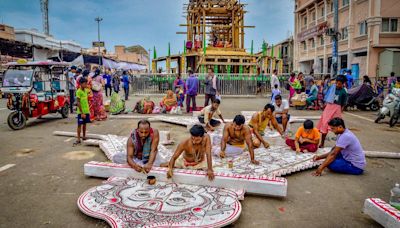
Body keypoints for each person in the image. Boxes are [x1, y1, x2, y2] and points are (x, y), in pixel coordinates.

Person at [317, 75, 348, 147]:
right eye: (337, 83)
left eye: (339, 84)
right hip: (329, 107)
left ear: (343, 84)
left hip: (337, 108)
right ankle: (322, 143)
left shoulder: (343, 92)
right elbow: (326, 95)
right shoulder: (332, 88)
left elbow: (343, 104)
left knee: (338, 126)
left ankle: (339, 144)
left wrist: (341, 111)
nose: (337, 85)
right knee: (325, 124)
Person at [74, 77, 91, 146]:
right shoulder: (78, 92)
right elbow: (78, 102)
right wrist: (81, 112)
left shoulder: (86, 90)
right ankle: (78, 138)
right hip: (81, 112)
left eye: (86, 83)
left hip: (86, 110)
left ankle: (84, 136)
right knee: (79, 125)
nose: (86, 84)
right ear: (80, 84)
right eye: (84, 83)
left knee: (84, 124)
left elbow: (90, 92)